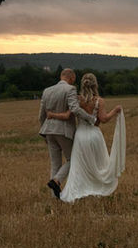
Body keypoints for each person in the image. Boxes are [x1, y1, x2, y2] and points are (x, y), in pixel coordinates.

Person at [45, 72, 126, 203]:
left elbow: (68, 115)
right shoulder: (99, 101)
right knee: (99, 164)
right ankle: (97, 187)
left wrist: (52, 115)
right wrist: (115, 111)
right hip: (94, 135)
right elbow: (104, 119)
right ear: (95, 85)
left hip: (80, 136)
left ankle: (78, 189)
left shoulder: (77, 100)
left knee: (80, 165)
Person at [39, 68, 98, 198]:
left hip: (48, 131)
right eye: (73, 81)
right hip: (63, 131)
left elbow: (41, 115)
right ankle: (56, 181)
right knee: (74, 159)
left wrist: (43, 133)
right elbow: (75, 109)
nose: (73, 83)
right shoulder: (70, 89)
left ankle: (54, 197)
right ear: (71, 78)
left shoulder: (47, 91)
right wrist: (91, 119)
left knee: (55, 164)